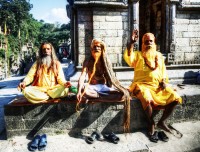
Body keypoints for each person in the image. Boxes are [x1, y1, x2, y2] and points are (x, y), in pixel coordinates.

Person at [123, 30, 182, 141]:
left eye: (151, 41)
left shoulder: (159, 56)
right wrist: (131, 43)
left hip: (157, 86)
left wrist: (164, 80)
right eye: (146, 41)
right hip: (142, 85)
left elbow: (163, 70)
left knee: (175, 97)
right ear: (142, 43)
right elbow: (129, 59)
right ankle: (151, 124)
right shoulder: (138, 55)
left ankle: (162, 122)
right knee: (146, 97)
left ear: (154, 42)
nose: (149, 43)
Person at [77, 38, 131, 132]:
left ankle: (97, 98)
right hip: (92, 88)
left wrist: (118, 88)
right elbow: (82, 76)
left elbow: (112, 78)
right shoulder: (88, 61)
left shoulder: (105, 61)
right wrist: (78, 91)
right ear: (91, 49)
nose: (97, 48)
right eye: (95, 47)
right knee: (82, 90)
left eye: (99, 47)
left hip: (103, 88)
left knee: (123, 95)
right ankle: (99, 97)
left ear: (102, 49)